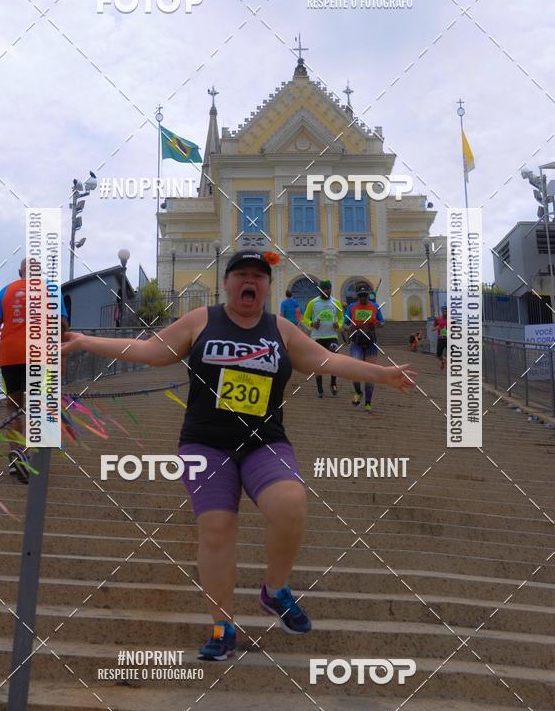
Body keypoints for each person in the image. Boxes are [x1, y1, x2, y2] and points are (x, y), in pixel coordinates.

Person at [61, 250, 416, 660]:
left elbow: (325, 359)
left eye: (258, 277)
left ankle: (275, 590)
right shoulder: (201, 321)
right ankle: (222, 625)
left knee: (291, 505)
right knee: (216, 530)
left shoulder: (280, 330)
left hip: (264, 441)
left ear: (266, 287)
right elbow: (150, 351)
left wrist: (382, 374)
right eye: (242, 275)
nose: (250, 281)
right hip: (205, 444)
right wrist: (87, 341)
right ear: (227, 284)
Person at [0, 258, 69, 483]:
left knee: (14, 405)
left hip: (11, 355)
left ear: (21, 272)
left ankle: (16, 460)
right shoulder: (50, 290)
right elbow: (61, 324)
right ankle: (36, 459)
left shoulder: (5, 291)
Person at [301, 280, 344, 398]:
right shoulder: (313, 303)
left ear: (330, 289)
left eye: (328, 289)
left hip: (332, 337)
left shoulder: (336, 303)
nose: (326, 291)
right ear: (319, 290)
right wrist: (311, 324)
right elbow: (305, 318)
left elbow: (341, 318)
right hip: (317, 337)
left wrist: (339, 325)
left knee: (335, 360)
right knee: (318, 363)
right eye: (323, 289)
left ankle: (333, 383)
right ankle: (319, 388)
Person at [344, 283, 380, 412]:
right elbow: (345, 324)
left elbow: (382, 322)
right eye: (361, 296)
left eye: (365, 295)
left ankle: (368, 403)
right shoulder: (351, 307)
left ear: (368, 295)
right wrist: (351, 328)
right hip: (356, 343)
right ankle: (358, 392)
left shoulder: (375, 306)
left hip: (371, 343)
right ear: (357, 296)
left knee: (370, 374)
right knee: (355, 370)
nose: (363, 298)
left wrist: (376, 325)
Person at [434, 305, 448, 369]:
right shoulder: (438, 319)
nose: (445, 312)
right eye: (443, 311)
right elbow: (433, 327)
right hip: (441, 339)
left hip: (449, 339)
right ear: (441, 312)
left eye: (446, 311)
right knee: (438, 355)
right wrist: (437, 328)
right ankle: (443, 360)